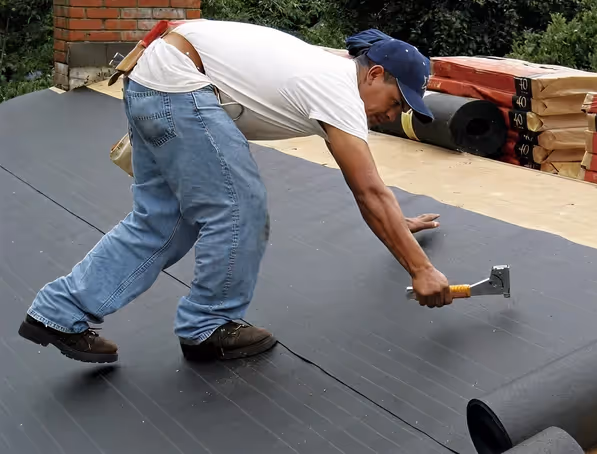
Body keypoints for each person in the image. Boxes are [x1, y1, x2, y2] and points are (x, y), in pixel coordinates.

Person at [17, 20, 454, 364]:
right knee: (239, 208)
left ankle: (57, 312)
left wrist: (398, 224)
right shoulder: (338, 88)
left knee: (163, 222)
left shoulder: (331, 76)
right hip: (178, 86)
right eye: (397, 102)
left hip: (152, 81)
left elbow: (368, 186)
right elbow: (369, 193)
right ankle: (209, 325)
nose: (393, 115)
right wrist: (422, 270)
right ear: (375, 74)